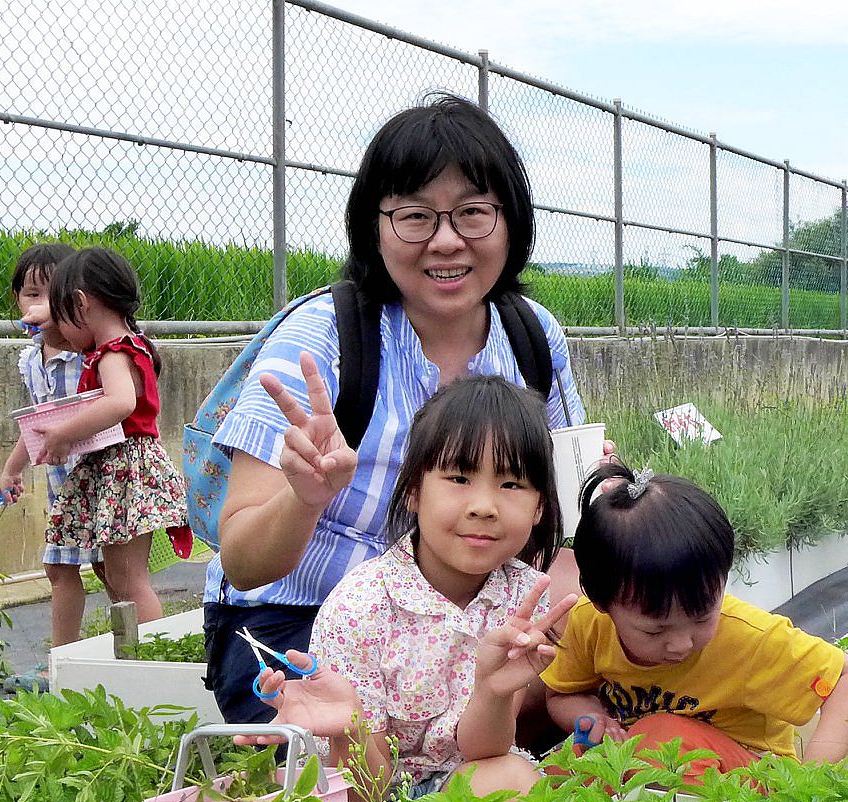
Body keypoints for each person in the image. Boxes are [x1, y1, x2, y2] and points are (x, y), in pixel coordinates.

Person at [203, 93, 591, 725]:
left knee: (563, 724)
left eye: (473, 213)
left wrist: (560, 615)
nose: (446, 242)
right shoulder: (322, 340)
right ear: (373, 228)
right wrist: (304, 497)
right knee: (345, 776)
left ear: (511, 222)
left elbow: (567, 509)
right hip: (301, 619)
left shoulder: (532, 335)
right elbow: (244, 565)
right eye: (415, 216)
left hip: (474, 618)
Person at [246, 377, 580, 802]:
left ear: (541, 506)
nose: (484, 506)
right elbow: (368, 794)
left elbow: (485, 754)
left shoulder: (523, 597)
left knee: (512, 782)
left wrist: (493, 689)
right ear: (414, 491)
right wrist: (352, 731)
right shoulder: (361, 606)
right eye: (459, 478)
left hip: (461, 787)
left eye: (511, 484)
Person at [539, 463, 848, 772]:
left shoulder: (746, 637)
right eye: (654, 631)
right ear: (602, 603)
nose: (682, 643)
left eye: (702, 618)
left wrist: (812, 777)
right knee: (558, 770)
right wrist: (594, 718)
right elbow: (562, 694)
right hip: (640, 766)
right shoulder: (588, 623)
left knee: (661, 738)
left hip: (745, 781)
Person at [32, 247, 185, 624]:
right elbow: (70, 337)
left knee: (130, 581)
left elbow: (120, 402)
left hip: (127, 472)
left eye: (64, 315)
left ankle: (149, 653)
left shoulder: (114, 353)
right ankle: (131, 652)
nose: (60, 334)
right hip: (118, 473)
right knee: (118, 577)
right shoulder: (124, 345)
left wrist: (65, 434)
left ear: (81, 304)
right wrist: (51, 316)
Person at [0, 242, 109, 662]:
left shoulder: (90, 354)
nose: (40, 304)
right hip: (64, 486)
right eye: (31, 294)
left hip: (103, 479)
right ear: (17, 299)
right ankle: (61, 662)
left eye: (53, 294)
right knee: (59, 568)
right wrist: (13, 469)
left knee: (111, 570)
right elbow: (36, 422)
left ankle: (131, 653)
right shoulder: (31, 361)